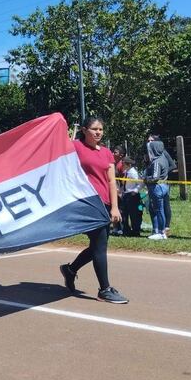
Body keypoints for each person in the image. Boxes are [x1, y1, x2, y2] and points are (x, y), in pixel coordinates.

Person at [59, 116, 129, 304]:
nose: (98, 132)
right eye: (94, 129)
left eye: (101, 129)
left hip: (105, 204)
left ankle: (70, 270)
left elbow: (112, 181)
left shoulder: (106, 152)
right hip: (87, 204)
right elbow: (58, 157)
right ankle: (104, 289)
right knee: (100, 245)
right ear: (84, 130)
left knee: (98, 246)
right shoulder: (75, 147)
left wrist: (115, 207)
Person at [144, 140, 170, 240]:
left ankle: (160, 232)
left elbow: (155, 177)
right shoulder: (163, 158)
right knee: (159, 209)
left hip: (157, 188)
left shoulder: (156, 162)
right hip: (164, 186)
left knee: (158, 210)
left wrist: (146, 179)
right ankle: (158, 231)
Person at [120, 157, 144, 237]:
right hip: (126, 194)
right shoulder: (126, 172)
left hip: (132, 195)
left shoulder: (133, 173)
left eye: (123, 163)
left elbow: (140, 183)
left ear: (128, 164)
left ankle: (135, 231)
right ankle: (126, 230)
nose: (122, 165)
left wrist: (135, 191)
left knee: (134, 215)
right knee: (124, 214)